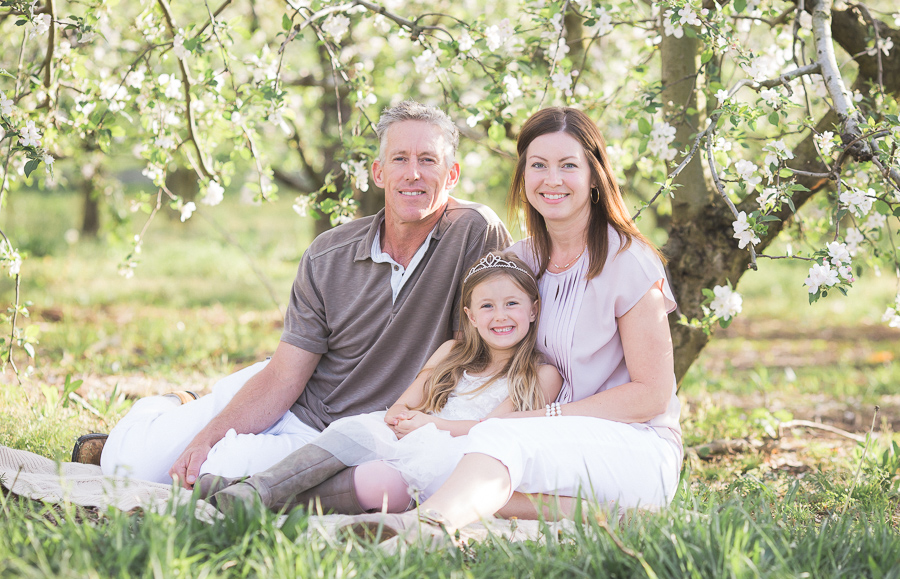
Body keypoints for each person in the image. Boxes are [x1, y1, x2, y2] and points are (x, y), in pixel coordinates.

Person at [95, 101, 512, 496]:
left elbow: (468, 350)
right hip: (290, 402)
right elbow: (283, 376)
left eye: (428, 160)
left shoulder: (473, 232)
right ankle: (174, 407)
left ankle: (189, 424)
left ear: (452, 174)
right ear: (379, 172)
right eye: (400, 159)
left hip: (348, 435)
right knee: (126, 467)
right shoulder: (328, 253)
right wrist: (204, 436)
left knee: (207, 476)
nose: (413, 174)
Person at [342, 106, 684, 540]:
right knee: (450, 458)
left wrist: (546, 417)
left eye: (568, 165)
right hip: (548, 440)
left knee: (497, 443)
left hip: (633, 445)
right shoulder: (519, 264)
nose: (552, 179)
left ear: (595, 177)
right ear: (523, 177)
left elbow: (652, 395)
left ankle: (423, 529)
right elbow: (475, 350)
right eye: (538, 165)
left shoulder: (627, 262)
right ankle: (598, 513)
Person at [197, 251, 563, 514]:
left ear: (533, 309)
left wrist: (430, 424)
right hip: (414, 432)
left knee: (383, 483)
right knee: (359, 430)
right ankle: (256, 488)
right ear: (469, 315)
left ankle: (247, 494)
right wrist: (402, 417)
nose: (500, 316)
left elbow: (492, 429)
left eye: (512, 303)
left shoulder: (539, 374)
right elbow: (405, 403)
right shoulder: (452, 351)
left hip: (458, 456)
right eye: (487, 307)